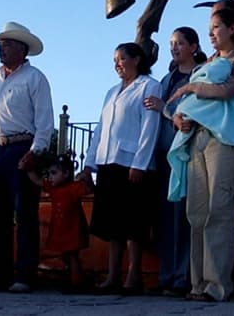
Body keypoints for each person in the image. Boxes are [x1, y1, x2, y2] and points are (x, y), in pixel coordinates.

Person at [166, 6, 234, 302]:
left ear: (232, 29)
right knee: (197, 212)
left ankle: (218, 285)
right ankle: (197, 283)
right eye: (210, 30)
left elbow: (227, 91)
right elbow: (186, 103)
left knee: (220, 209)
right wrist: (179, 119)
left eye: (216, 27)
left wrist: (192, 86)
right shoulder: (206, 64)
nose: (212, 34)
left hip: (224, 140)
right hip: (196, 138)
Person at [0, 21, 54, 293]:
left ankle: (24, 275)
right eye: (0, 45)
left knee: (25, 216)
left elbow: (45, 120)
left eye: (7, 44)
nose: (2, 49)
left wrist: (36, 151)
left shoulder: (35, 78)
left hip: (21, 146)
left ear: (23, 49)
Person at [80, 42, 163, 294]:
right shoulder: (111, 92)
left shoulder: (149, 86)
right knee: (112, 224)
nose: (117, 64)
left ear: (136, 59)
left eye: (121, 58)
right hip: (109, 161)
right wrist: (89, 163)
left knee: (133, 223)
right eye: (114, 59)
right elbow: (101, 129)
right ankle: (112, 275)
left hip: (131, 163)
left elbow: (150, 127)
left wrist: (141, 162)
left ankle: (133, 275)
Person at [144, 27, 208, 296]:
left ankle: (183, 275)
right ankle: (166, 274)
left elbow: (189, 113)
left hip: (187, 154)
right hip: (164, 155)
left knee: (184, 218)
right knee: (165, 219)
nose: (174, 48)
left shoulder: (200, 76)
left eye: (180, 43)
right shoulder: (167, 79)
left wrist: (166, 110)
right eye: (171, 43)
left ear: (193, 46)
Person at [26, 154, 90, 290]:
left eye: (54, 173)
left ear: (66, 173)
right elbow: (37, 181)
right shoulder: (53, 188)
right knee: (66, 256)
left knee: (72, 255)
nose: (50, 176)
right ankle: (75, 278)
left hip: (73, 228)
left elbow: (88, 189)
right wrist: (29, 169)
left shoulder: (74, 188)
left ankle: (76, 282)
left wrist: (85, 178)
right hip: (61, 228)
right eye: (49, 173)